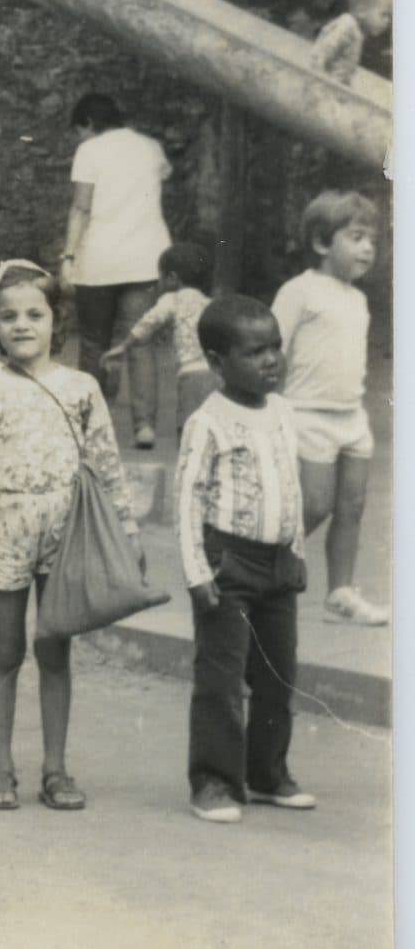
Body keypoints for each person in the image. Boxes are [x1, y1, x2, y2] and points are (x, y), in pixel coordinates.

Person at [0, 263, 134, 813]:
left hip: (66, 528)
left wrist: (126, 533)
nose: (21, 325)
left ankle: (56, 768)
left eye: (34, 314)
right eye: (8, 316)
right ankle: (1, 768)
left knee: (55, 649)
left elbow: (107, 465)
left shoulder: (81, 387)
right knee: (5, 650)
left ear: (58, 321)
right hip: (5, 524)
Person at [178, 296, 315, 824]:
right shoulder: (207, 422)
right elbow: (189, 500)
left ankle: (268, 773)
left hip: (278, 563)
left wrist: (296, 550)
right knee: (221, 678)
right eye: (255, 351)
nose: (271, 360)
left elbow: (290, 487)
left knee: (278, 673)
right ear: (217, 362)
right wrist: (196, 573)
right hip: (227, 565)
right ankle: (213, 781)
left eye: (275, 347)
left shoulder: (282, 412)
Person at [272, 190, 388, 626]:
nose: (367, 248)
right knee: (315, 505)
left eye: (371, 240)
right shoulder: (299, 290)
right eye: (356, 237)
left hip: (352, 418)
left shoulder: (358, 300)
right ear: (322, 243)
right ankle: (261, 567)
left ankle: (340, 592)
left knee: (352, 507)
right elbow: (270, 348)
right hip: (308, 415)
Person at [59, 92, 171, 402]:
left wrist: (68, 256)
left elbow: (81, 208)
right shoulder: (151, 147)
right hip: (147, 257)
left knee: (94, 340)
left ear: (89, 123)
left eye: (79, 131)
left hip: (100, 258)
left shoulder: (89, 151)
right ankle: (145, 426)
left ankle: (92, 415)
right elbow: (164, 175)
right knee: (141, 340)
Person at [106, 240, 216, 452]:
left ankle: (188, 471)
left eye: (161, 276)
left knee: (188, 429)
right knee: (211, 427)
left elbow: (148, 322)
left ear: (173, 278)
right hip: (215, 374)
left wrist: (124, 345)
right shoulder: (209, 303)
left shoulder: (171, 299)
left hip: (190, 375)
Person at [311, 0, 390, 83]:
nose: (388, 21)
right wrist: (317, 75)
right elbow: (324, 50)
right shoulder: (347, 25)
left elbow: (344, 68)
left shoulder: (358, 33)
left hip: (332, 87)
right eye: (383, 15)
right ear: (362, 11)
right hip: (321, 83)